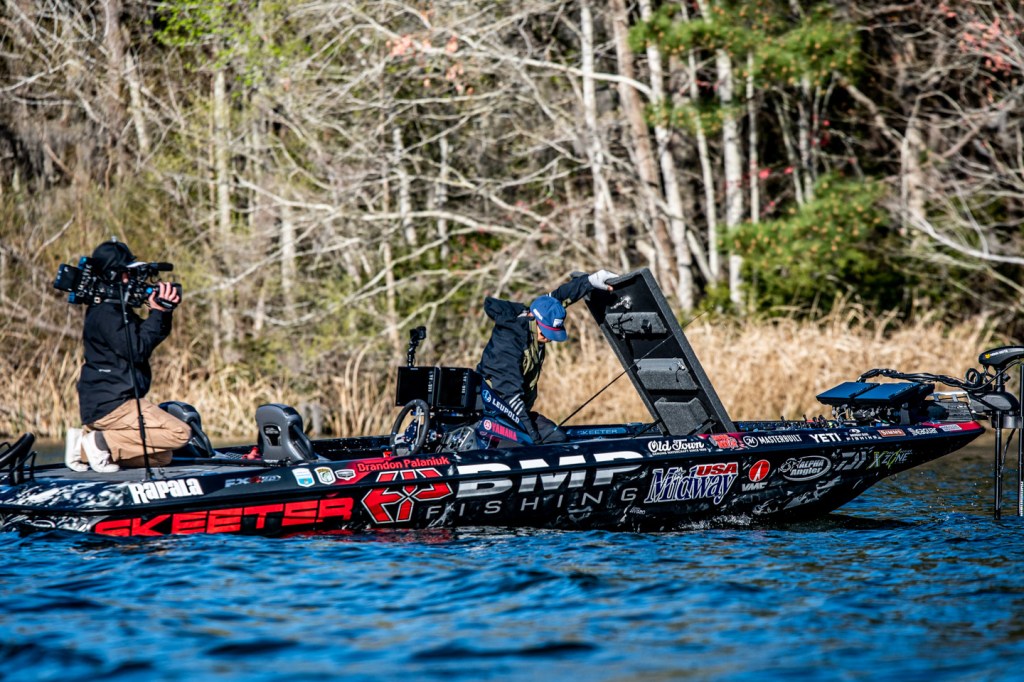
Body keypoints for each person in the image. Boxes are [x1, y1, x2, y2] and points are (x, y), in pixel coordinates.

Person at [67, 240, 191, 473]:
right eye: (127, 274)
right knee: (179, 433)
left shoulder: (114, 310)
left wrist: (161, 313)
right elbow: (137, 349)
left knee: (161, 457)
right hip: (114, 404)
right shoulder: (107, 313)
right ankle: (98, 442)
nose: (132, 280)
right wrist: (158, 312)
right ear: (113, 275)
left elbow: (144, 339)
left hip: (110, 402)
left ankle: (82, 448)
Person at [476, 270, 617, 444]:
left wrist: (590, 281)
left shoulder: (533, 315)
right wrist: (534, 441)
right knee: (536, 443)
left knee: (557, 437)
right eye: (546, 332)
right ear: (533, 319)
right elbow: (510, 398)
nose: (549, 338)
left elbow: (559, 298)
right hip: (495, 414)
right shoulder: (508, 343)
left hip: (514, 413)